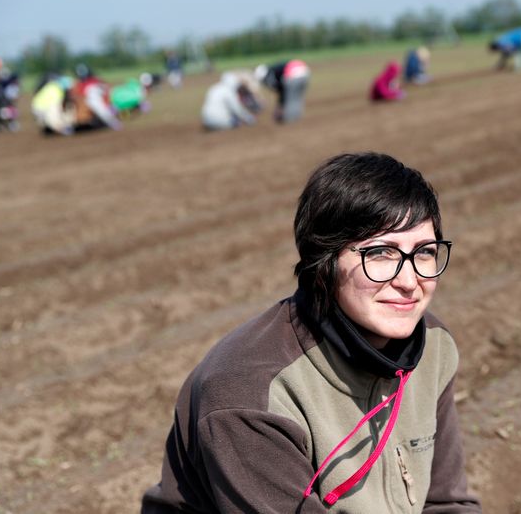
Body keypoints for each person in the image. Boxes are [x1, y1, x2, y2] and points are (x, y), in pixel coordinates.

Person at [142, 152, 482, 513]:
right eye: (381, 253)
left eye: (425, 252)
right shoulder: (250, 391)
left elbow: (446, 502)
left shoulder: (434, 346)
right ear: (324, 261)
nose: (409, 281)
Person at [70, 64, 121, 131]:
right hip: (88, 99)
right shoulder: (78, 84)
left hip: (98, 97)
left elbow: (107, 89)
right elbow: (75, 94)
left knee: (96, 100)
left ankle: (112, 120)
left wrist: (108, 100)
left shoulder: (95, 80)